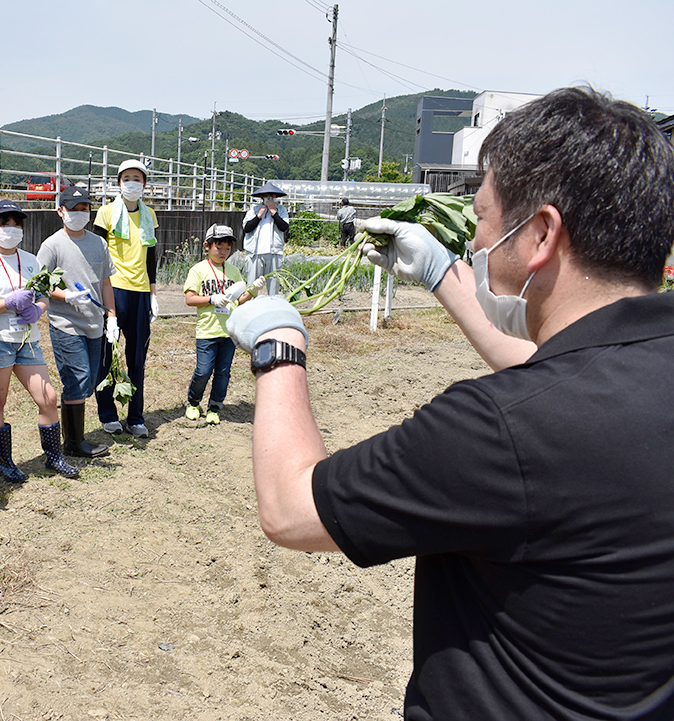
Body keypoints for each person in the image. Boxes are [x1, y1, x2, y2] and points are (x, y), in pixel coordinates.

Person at [227, 87, 674, 719]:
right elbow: (564, 372)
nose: (475, 238)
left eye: (482, 218)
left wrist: (279, 349)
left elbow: (290, 507)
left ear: (541, 232)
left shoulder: (503, 426)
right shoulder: (633, 373)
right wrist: (442, 274)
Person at [0, 199, 78, 480]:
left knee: (49, 397)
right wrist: (8, 303)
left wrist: (38, 309)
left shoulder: (30, 261)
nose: (12, 229)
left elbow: (43, 295)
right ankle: (4, 462)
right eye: (5, 224)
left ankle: (54, 457)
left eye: (17, 224)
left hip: (28, 340)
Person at [37, 185, 117, 458]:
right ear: (61, 211)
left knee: (91, 379)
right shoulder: (52, 245)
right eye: (73, 209)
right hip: (65, 322)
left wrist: (112, 315)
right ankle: (74, 442)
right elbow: (40, 283)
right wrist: (67, 295)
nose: (79, 214)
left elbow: (106, 282)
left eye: (84, 209)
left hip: (95, 322)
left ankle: (74, 437)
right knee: (77, 377)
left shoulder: (99, 243)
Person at [93, 158, 159, 438]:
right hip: (113, 290)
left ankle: (136, 417)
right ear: (118, 183)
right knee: (107, 356)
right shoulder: (106, 213)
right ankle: (108, 414)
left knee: (137, 358)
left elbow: (152, 255)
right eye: (126, 178)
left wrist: (154, 294)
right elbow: (96, 254)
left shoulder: (150, 215)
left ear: (144, 184)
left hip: (141, 292)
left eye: (137, 179)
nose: (132, 183)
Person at [182, 223, 259, 425]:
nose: (223, 252)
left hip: (229, 332)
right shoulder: (198, 270)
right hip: (207, 331)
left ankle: (215, 407)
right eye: (219, 247)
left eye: (227, 248)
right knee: (203, 370)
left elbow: (238, 300)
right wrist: (211, 299)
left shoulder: (233, 272)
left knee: (223, 372)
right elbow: (190, 299)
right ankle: (193, 402)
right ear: (207, 246)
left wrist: (252, 291)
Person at [242, 181, 289, 296]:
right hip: (255, 253)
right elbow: (246, 228)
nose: (270, 199)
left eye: (272, 196)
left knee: (273, 286)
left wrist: (273, 212)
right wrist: (259, 215)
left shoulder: (281, 210)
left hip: (274, 252)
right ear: (262, 197)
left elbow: (284, 227)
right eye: (267, 196)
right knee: (252, 286)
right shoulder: (254, 210)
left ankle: (272, 308)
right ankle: (251, 309)